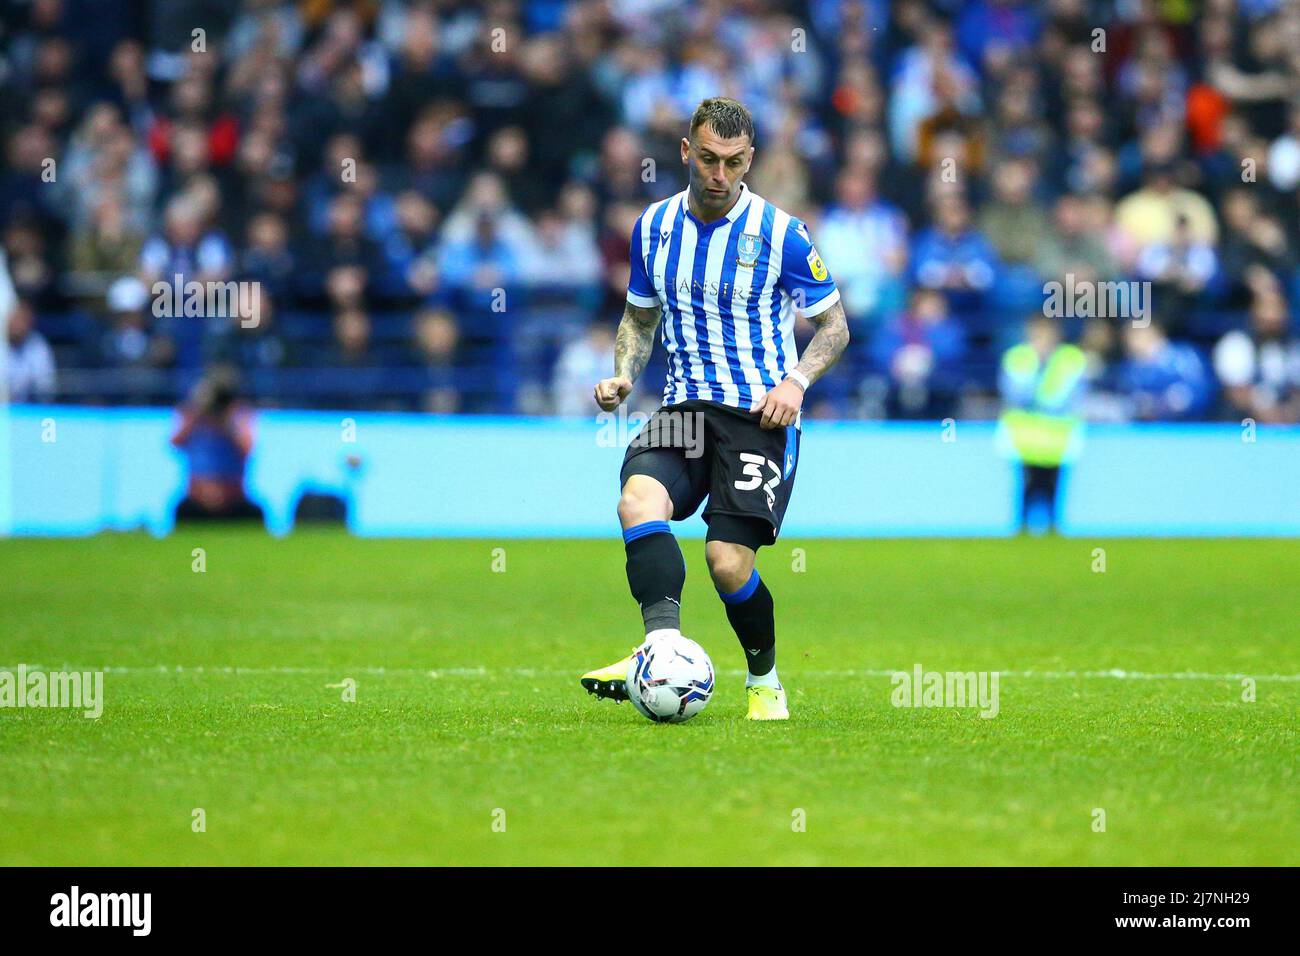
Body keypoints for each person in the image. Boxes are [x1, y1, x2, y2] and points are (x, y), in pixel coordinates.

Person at [581, 98, 850, 721]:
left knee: (726, 563)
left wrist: (797, 381)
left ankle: (765, 680)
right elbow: (639, 317)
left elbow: (833, 326)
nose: (718, 174)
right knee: (637, 503)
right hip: (684, 408)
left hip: (759, 416)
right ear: (686, 152)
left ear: (749, 160)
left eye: (732, 162)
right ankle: (661, 647)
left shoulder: (781, 232)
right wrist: (623, 374)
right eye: (706, 159)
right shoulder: (652, 227)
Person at [998, 316, 1087, 533]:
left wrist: (1038, 399)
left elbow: (1071, 396)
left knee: (1053, 485)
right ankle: (1022, 526)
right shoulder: (1017, 357)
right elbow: (1014, 393)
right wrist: (1042, 396)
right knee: (1026, 485)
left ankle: (1054, 526)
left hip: (1058, 438)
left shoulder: (1071, 358)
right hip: (1025, 437)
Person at [170, 369, 264, 524]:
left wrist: (228, 422)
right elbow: (175, 442)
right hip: (196, 499)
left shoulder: (240, 415)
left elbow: (247, 449)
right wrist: (198, 409)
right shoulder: (191, 413)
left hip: (233, 501)